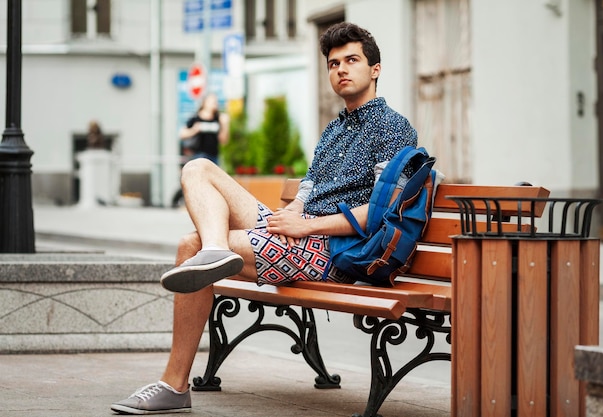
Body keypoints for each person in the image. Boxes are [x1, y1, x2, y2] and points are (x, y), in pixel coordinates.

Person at [111, 22, 418, 415]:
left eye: (351, 60)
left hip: (333, 252)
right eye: (333, 63)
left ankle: (174, 385)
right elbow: (309, 188)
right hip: (299, 234)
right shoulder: (334, 129)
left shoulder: (393, 128)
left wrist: (306, 225)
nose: (340, 69)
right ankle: (218, 249)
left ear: (375, 69)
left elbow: (382, 213)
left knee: (190, 246)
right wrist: (291, 212)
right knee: (198, 168)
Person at [172, 93, 230, 207]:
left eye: (216, 102)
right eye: (212, 101)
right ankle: (197, 203)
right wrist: (195, 129)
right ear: (204, 103)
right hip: (199, 154)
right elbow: (182, 134)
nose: (215, 104)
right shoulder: (196, 118)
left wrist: (225, 125)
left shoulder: (218, 119)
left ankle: (210, 204)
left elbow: (224, 140)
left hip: (214, 155)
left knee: (215, 181)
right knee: (199, 179)